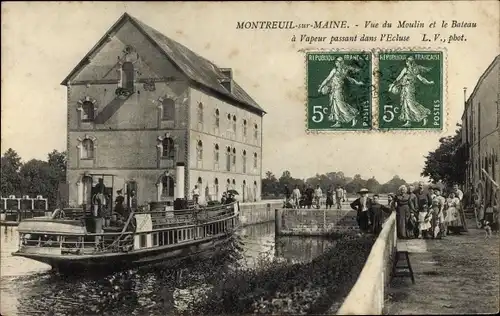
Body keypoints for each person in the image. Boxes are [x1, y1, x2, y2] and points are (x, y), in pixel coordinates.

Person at [388, 56, 434, 127]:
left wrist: (428, 82)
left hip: (409, 89)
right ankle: (408, 121)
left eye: (408, 62)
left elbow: (421, 79)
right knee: (405, 105)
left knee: (411, 104)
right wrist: (392, 86)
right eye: (408, 62)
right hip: (404, 89)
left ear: (409, 62)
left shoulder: (414, 70)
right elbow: (399, 78)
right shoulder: (406, 69)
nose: (408, 63)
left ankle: (424, 117)